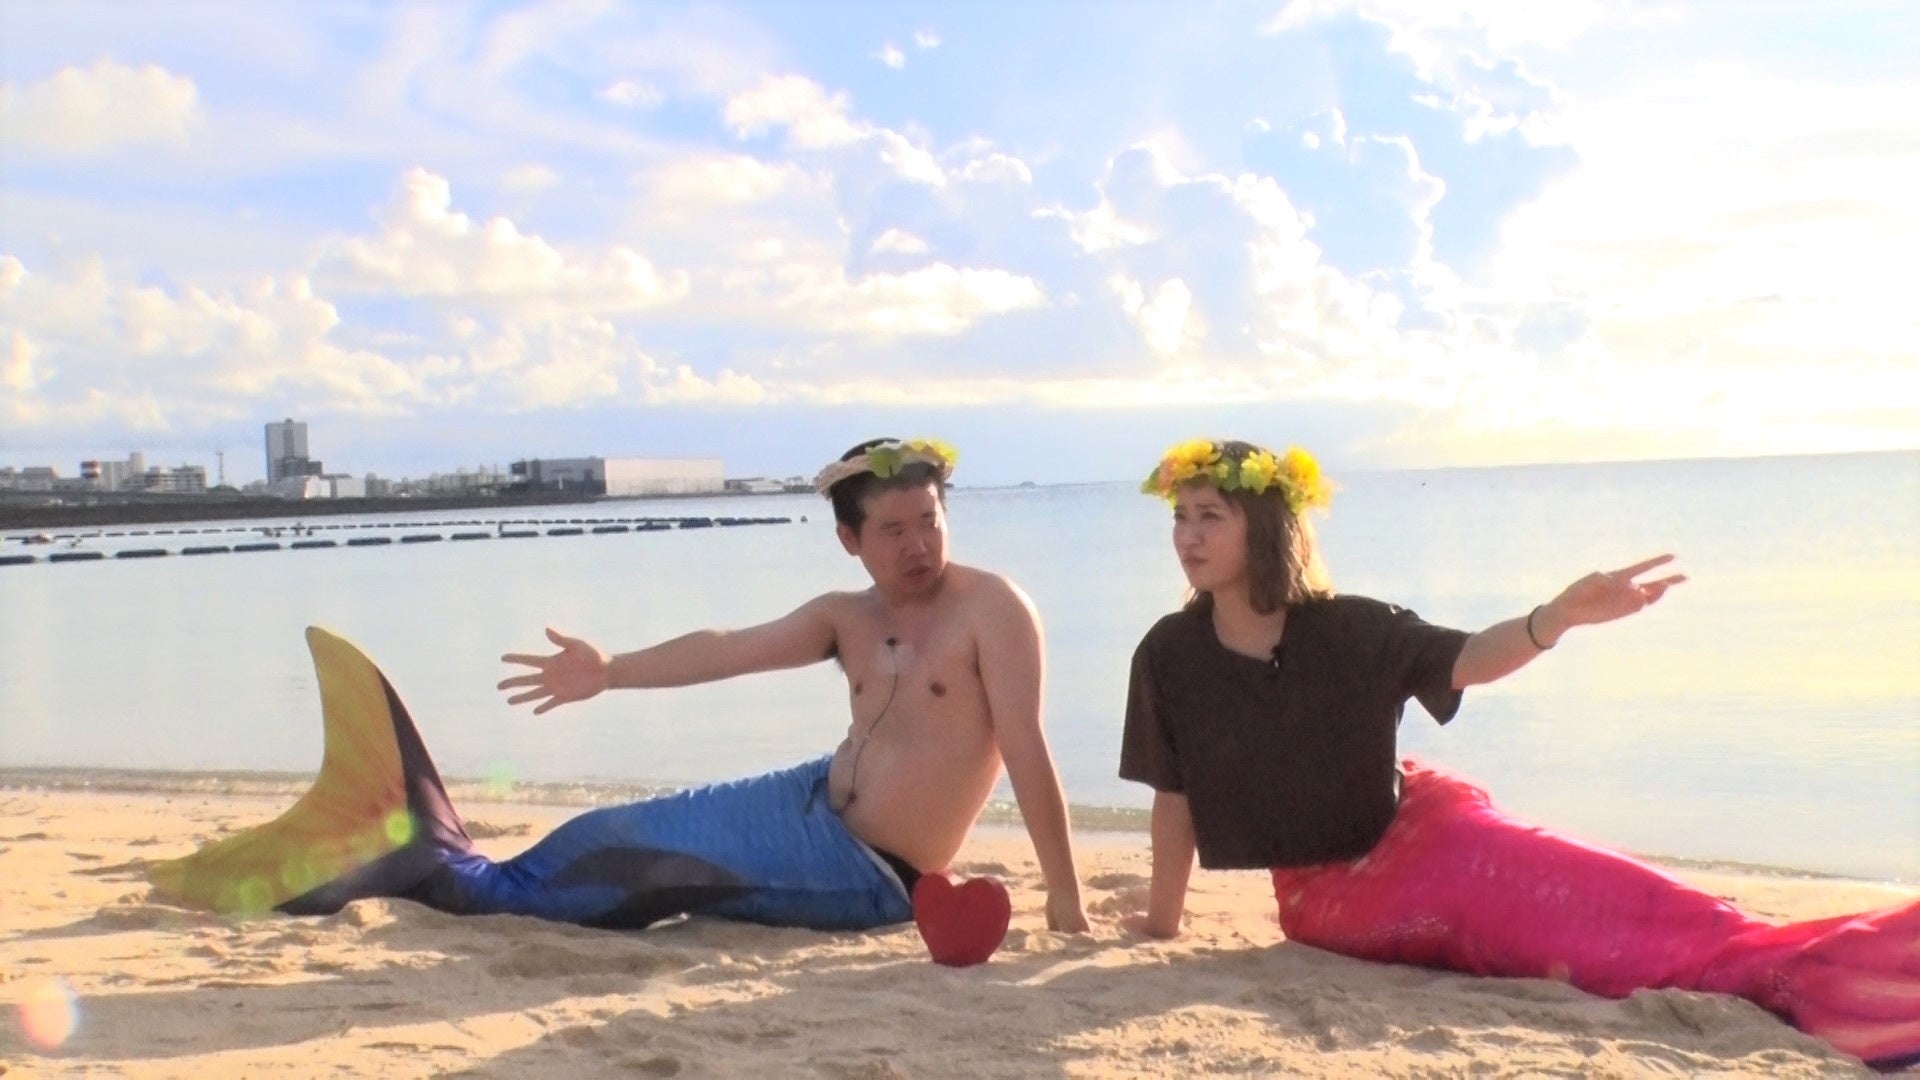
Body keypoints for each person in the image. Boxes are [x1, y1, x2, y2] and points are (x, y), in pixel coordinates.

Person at [1116, 438, 1920, 1067]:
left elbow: (1468, 657)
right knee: (1574, 941)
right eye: (1180, 518)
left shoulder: (1351, 627)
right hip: (1334, 899)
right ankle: (1833, 986)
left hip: (1426, 827)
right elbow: (1173, 797)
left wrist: (1555, 617)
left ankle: (1820, 958)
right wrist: (1161, 921)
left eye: (1209, 516)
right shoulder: (1168, 655)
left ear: (1263, 527)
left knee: (1624, 896)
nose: (1187, 536)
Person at [150, 437, 1089, 937]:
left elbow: (1028, 750)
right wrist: (608, 673)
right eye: (894, 529)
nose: (919, 545)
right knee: (601, 836)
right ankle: (408, 857)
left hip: (872, 874)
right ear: (850, 539)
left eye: (930, 521)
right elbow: (727, 649)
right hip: (806, 799)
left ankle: (418, 866)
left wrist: (1066, 896)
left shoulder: (992, 611)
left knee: (629, 877)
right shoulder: (847, 614)